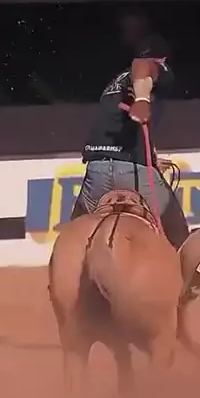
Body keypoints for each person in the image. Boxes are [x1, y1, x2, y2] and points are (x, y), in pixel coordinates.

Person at [71, 12, 189, 250]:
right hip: (132, 174)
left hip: (97, 171)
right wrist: (143, 99)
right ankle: (188, 272)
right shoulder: (153, 68)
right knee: (178, 234)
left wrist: (151, 158)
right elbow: (142, 64)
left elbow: (121, 125)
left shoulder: (115, 83)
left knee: (74, 237)